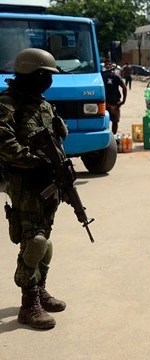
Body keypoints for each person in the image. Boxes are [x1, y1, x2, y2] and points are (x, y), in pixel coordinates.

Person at [0, 48, 69, 330]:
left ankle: (40, 289)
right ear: (32, 74)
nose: (49, 81)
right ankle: (28, 304)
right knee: (34, 240)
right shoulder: (7, 104)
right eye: (45, 76)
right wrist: (34, 162)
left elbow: (57, 140)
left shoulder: (43, 105)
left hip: (47, 182)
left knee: (46, 240)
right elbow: (4, 144)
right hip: (24, 181)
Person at [102, 60, 127, 134]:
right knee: (103, 122)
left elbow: (124, 87)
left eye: (109, 65)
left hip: (115, 103)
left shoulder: (116, 76)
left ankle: (114, 136)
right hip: (104, 104)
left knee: (115, 121)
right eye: (106, 65)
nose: (108, 66)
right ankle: (106, 137)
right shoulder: (101, 76)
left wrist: (123, 101)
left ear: (112, 66)